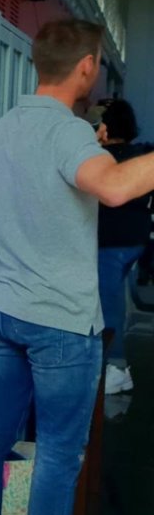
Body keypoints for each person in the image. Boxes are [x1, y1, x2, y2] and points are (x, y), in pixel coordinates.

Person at [0, 20, 154, 515]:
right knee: (59, 450)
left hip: (4, 310)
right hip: (61, 323)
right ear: (88, 66)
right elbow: (115, 188)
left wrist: (88, 145)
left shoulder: (4, 127)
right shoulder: (68, 133)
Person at [93, 99, 150, 393]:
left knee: (108, 304)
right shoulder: (140, 156)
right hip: (136, 239)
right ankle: (115, 364)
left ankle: (116, 366)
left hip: (109, 242)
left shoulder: (99, 159)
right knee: (115, 300)